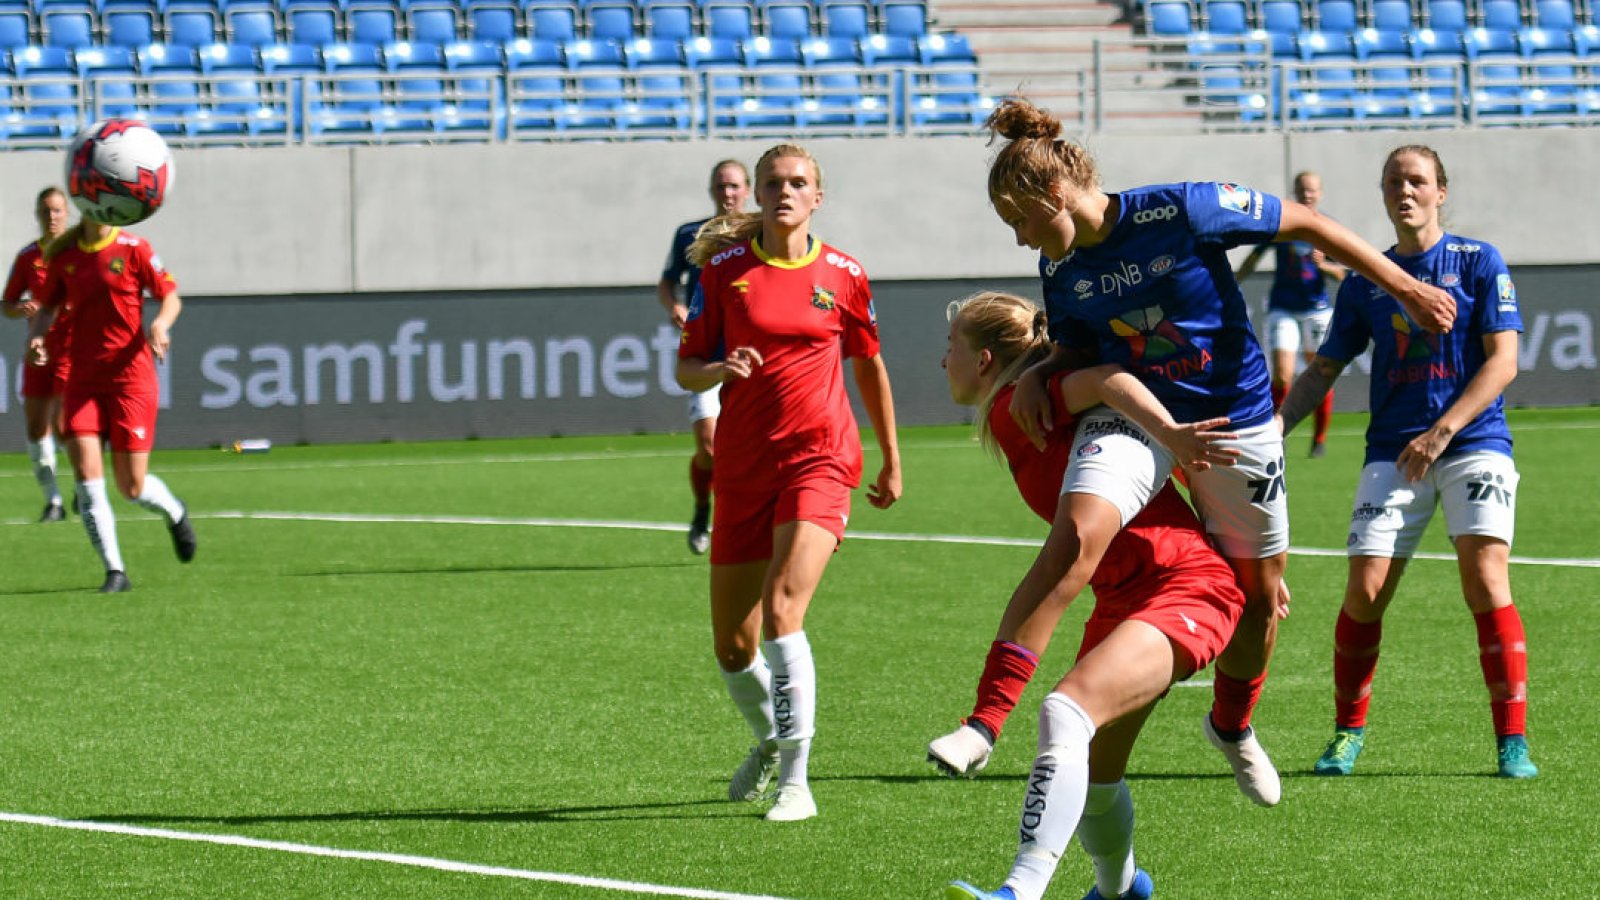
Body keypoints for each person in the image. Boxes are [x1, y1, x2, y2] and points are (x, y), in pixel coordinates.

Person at [929, 97, 1457, 809]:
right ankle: (984, 723)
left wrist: (1406, 287)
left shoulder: (1183, 208)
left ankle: (1232, 726)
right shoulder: (1062, 270)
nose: (1022, 241)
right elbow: (1081, 350)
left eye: (1019, 220)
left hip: (1234, 425)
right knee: (1075, 538)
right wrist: (1043, 372)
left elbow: (1307, 224)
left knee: (1260, 600)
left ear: (1054, 193)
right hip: (1139, 418)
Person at [936, 291, 1246, 900]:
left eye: (951, 347)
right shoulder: (1021, 406)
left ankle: (1019, 891)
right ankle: (1121, 889)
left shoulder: (1027, 402)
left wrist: (987, 718)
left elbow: (1107, 379)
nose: (942, 361)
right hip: (1122, 599)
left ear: (984, 359)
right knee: (1097, 780)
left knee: (1064, 712)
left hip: (1186, 588)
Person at [1277, 145, 1536, 780]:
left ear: (1440, 191)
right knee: (1364, 593)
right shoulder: (1368, 280)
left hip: (1473, 441)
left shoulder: (1478, 261)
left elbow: (1504, 361)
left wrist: (1443, 431)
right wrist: (1274, 432)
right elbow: (1323, 369)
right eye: (1394, 181)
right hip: (1394, 449)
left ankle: (1512, 741)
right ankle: (1347, 733)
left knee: (1485, 581)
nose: (1405, 191)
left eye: (1417, 180)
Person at [676, 143, 901, 822]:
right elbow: (686, 367)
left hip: (820, 458)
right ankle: (772, 738)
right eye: (773, 182)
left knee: (783, 608)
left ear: (817, 197)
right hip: (744, 467)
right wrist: (719, 369)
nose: (785, 192)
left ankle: (797, 783)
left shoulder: (845, 274)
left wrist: (890, 455)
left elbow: (868, 365)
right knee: (732, 647)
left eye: (798, 182)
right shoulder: (722, 273)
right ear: (757, 193)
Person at [28, 214, 197, 593]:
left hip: (130, 380)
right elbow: (46, 309)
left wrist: (160, 325)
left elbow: (170, 296)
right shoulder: (66, 256)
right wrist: (37, 338)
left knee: (131, 486)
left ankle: (174, 511)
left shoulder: (135, 249)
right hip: (83, 382)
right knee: (87, 478)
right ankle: (115, 572)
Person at [657, 159, 752, 555]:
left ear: (747, 190)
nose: (727, 193)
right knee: (710, 447)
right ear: (711, 190)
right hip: (707, 357)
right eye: (721, 186)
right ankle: (702, 509)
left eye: (734, 186)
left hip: (750, 356)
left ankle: (744, 523)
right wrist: (675, 306)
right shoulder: (691, 234)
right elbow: (667, 283)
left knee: (748, 452)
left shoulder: (760, 232)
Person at [1234, 171, 1346, 458]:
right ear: (1295, 191)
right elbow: (1254, 257)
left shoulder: (1327, 227)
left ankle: (1319, 439)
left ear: (1320, 193)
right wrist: (1232, 283)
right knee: (1283, 376)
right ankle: (1275, 435)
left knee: (1321, 372)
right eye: (1303, 189)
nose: (1307, 194)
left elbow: (1343, 273)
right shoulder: (1281, 223)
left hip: (1317, 310)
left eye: (1312, 190)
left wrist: (1325, 267)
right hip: (1283, 309)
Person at [3, 186, 74, 522]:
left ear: (67, 214)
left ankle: (84, 488)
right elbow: (7, 303)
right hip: (37, 351)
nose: (52, 217)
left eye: (57, 210)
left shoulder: (78, 253)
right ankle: (54, 501)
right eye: (46, 211)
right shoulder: (27, 257)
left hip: (72, 350)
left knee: (63, 425)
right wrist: (20, 309)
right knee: (35, 427)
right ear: (37, 215)